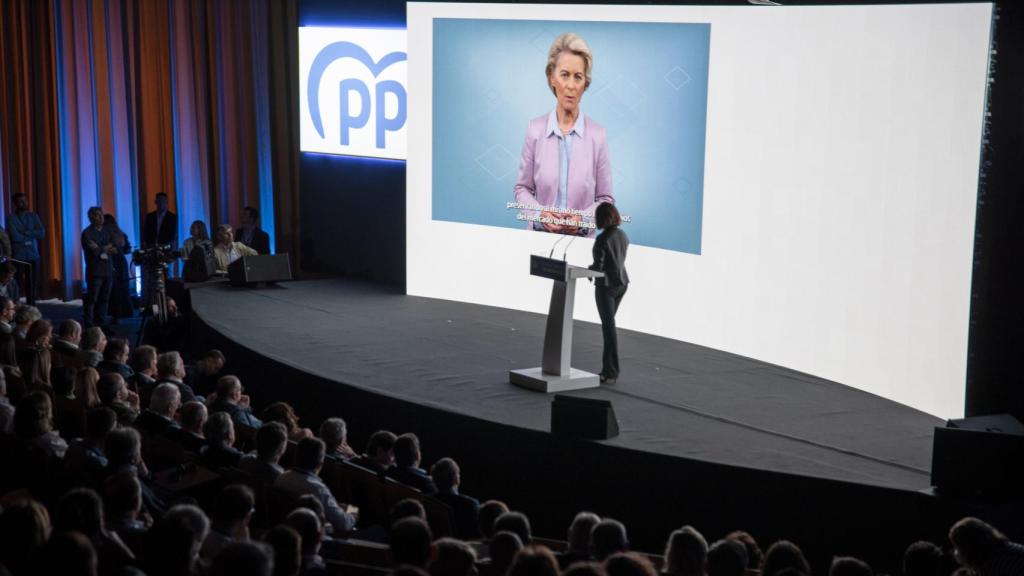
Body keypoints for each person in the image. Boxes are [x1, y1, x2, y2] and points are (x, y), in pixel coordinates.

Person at [513, 32, 612, 236]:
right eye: (564, 74)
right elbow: (522, 189)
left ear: (585, 84)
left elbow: (605, 200)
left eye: (578, 77)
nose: (570, 85)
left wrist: (583, 220)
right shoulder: (535, 129)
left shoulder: (598, 135)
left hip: (582, 248)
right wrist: (540, 215)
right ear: (552, 78)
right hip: (538, 243)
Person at [589, 202, 629, 384]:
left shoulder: (602, 239)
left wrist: (591, 270)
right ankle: (610, 370)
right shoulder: (622, 235)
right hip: (622, 283)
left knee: (608, 328)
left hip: (606, 286)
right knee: (609, 326)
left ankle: (610, 371)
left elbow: (598, 267)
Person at [81, 206, 116, 327]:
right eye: (97, 215)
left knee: (105, 299)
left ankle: (101, 323)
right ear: (91, 218)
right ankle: (89, 323)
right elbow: (93, 251)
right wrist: (106, 248)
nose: (101, 217)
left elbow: (115, 247)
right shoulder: (87, 233)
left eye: (101, 214)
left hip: (108, 269)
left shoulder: (108, 231)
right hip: (95, 270)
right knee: (92, 299)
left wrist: (101, 248)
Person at [7, 193, 45, 303]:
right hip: (19, 255)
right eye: (21, 201)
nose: (24, 203)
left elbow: (41, 233)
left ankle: (31, 308)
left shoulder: (33, 216)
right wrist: (31, 235)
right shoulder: (11, 218)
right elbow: (15, 237)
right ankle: (16, 308)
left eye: (25, 200)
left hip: (33, 255)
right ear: (15, 204)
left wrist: (26, 232)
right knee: (17, 283)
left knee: (32, 284)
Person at [103, 214, 134, 321]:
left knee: (113, 289)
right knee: (123, 287)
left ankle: (115, 313)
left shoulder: (105, 235)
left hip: (111, 262)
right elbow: (128, 249)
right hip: (121, 262)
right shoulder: (121, 234)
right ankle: (125, 311)